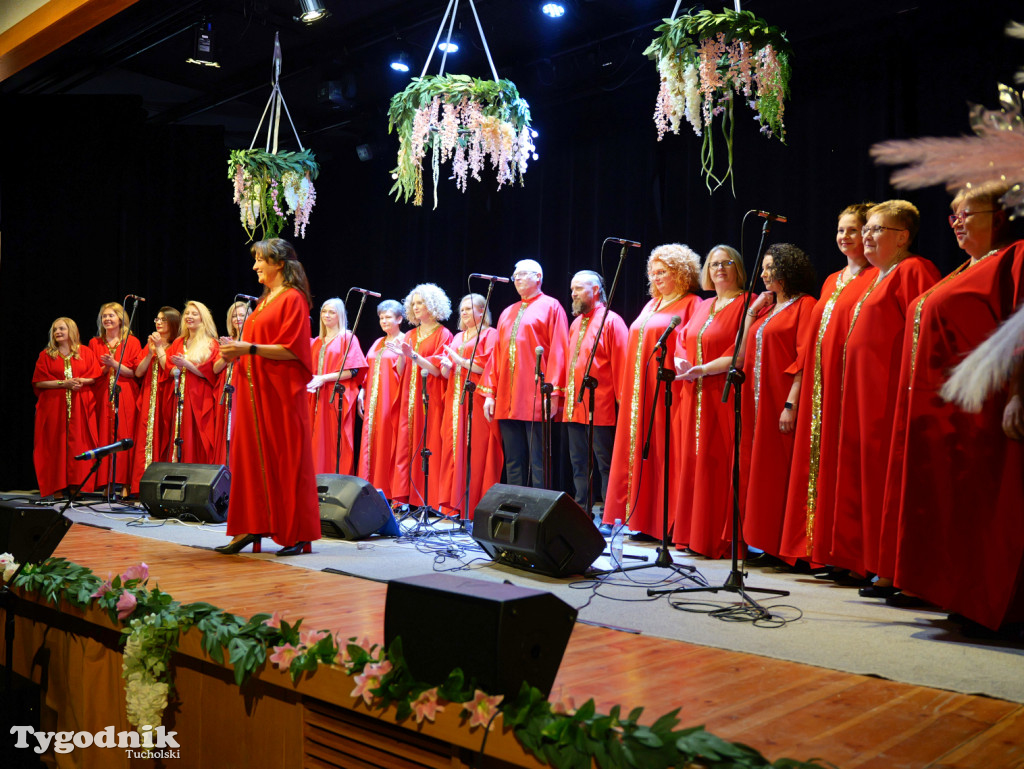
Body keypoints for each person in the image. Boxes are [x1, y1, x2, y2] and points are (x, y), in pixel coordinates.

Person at [873, 183, 1024, 630]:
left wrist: (1018, 394)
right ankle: (958, 595)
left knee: (985, 508)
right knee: (953, 507)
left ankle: (990, 605)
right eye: (952, 215)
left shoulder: (1014, 257)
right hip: (946, 420)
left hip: (987, 412)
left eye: (966, 214)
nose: (956, 222)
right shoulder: (967, 267)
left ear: (997, 218)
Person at [827, 200, 939, 580]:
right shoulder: (876, 276)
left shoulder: (913, 270)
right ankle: (863, 561)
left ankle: (890, 569)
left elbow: (923, 335)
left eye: (877, 230)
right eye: (867, 229)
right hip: (861, 393)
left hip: (887, 394)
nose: (867, 237)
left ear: (902, 237)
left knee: (881, 480)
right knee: (860, 478)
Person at [778, 204, 878, 567]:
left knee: (844, 468)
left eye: (853, 229)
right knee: (814, 467)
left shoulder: (877, 276)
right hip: (818, 391)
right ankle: (812, 547)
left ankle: (842, 553)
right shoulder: (831, 280)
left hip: (848, 389)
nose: (845, 236)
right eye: (841, 230)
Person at [216, 238, 321, 556]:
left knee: (286, 459)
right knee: (249, 459)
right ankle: (253, 525)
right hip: (253, 391)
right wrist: (234, 351)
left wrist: (246, 348)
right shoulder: (264, 301)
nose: (255, 265)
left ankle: (298, 532)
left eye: (260, 259)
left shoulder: (292, 299)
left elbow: (294, 350)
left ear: (278, 263)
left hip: (279, 394)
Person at [602, 244, 702, 539]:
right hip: (638, 393)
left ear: (681, 273)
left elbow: (689, 344)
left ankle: (663, 523)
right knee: (636, 452)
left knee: (661, 452)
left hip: (665, 392)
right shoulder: (651, 305)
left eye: (664, 272)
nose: (657, 278)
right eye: (653, 273)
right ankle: (639, 520)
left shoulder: (691, 303)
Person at [738, 244, 817, 560]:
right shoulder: (767, 309)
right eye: (764, 268)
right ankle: (769, 543)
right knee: (763, 475)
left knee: (782, 473)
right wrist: (751, 313)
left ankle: (789, 549)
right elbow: (741, 352)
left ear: (788, 270)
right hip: (757, 402)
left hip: (781, 401)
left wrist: (791, 404)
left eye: (771, 267)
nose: (764, 273)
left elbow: (804, 357)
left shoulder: (805, 305)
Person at [671, 245, 748, 557]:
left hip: (722, 394)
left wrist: (702, 369)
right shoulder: (704, 305)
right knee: (693, 462)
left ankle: (717, 539)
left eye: (727, 263)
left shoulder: (748, 303)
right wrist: (682, 364)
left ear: (738, 268)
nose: (720, 269)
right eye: (714, 264)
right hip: (694, 395)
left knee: (717, 464)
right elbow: (682, 340)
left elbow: (740, 355)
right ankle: (693, 535)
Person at [482, 259, 569, 489]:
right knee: (513, 459)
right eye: (515, 276)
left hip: (535, 396)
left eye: (522, 274)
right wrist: (490, 393)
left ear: (538, 277)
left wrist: (553, 393)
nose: (517, 279)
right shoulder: (507, 312)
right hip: (507, 397)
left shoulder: (552, 306)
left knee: (538, 460)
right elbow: (497, 355)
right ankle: (515, 509)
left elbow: (560, 350)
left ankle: (540, 511)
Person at [563, 270, 628, 517]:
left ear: (596, 290)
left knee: (606, 464)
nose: (573, 293)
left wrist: (622, 404)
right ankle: (582, 510)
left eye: (578, 288)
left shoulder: (612, 321)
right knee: (578, 462)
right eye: (572, 289)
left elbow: (621, 365)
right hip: (574, 407)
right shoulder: (576, 323)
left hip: (602, 408)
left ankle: (612, 514)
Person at [438, 293, 503, 519]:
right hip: (455, 399)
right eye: (462, 309)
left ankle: (474, 504)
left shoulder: (490, 334)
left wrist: (460, 360)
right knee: (454, 449)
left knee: (475, 451)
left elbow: (486, 367)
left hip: (476, 398)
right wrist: (448, 365)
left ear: (482, 312)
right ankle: (455, 503)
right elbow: (449, 371)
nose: (464, 313)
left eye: (469, 309)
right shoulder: (458, 337)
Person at [389, 284, 453, 509]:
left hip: (430, 396)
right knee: (407, 445)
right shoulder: (410, 334)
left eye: (421, 303)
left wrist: (413, 355)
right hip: (409, 397)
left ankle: (430, 500)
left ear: (432, 305)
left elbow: (437, 370)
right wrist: (400, 355)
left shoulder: (443, 334)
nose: (416, 307)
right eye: (413, 303)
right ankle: (405, 498)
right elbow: (400, 371)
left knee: (429, 444)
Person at [32, 318, 100, 498]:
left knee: (79, 444)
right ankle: (56, 487)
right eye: (55, 330)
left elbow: (94, 376)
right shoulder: (46, 355)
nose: (57, 332)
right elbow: (39, 382)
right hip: (54, 407)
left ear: (71, 330)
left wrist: (80, 381)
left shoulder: (85, 352)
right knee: (54, 445)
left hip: (80, 405)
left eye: (61, 328)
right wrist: (64, 383)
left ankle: (75, 486)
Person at [307, 297, 368, 475]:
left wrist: (323, 378)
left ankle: (336, 484)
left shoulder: (347, 338)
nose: (327, 315)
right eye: (324, 311)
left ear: (340, 315)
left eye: (332, 312)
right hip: (315, 398)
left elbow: (354, 370)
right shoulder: (316, 341)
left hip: (336, 398)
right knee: (314, 442)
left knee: (335, 443)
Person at [88, 301, 141, 493]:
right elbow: (93, 372)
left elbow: (134, 372)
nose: (107, 319)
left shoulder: (132, 341)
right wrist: (106, 366)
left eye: (111, 315)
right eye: (104, 316)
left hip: (125, 392)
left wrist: (114, 363)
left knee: (124, 434)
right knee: (105, 435)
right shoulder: (95, 343)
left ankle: (126, 483)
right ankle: (107, 483)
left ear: (120, 318)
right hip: (102, 393)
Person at [129, 306, 181, 493]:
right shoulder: (150, 344)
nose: (158, 322)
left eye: (163, 320)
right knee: (145, 437)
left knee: (165, 436)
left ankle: (161, 487)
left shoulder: (177, 345)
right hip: (149, 396)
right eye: (157, 319)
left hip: (167, 395)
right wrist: (150, 352)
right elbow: (139, 372)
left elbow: (168, 368)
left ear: (172, 323)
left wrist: (159, 349)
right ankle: (141, 487)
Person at [358, 299, 404, 498]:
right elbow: (368, 371)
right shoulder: (378, 342)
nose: (384, 321)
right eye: (381, 318)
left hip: (390, 399)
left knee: (387, 442)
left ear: (399, 319)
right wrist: (362, 392)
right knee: (371, 442)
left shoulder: (404, 341)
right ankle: (369, 492)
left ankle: (389, 493)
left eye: (388, 318)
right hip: (372, 402)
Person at [167, 301, 220, 464]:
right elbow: (168, 367)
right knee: (180, 435)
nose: (189, 317)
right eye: (187, 313)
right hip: (180, 396)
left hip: (199, 398)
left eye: (194, 314)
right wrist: (175, 369)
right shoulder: (178, 342)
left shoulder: (211, 343)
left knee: (197, 438)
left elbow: (212, 373)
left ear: (202, 319)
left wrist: (188, 365)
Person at [212, 300, 250, 465]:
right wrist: (228, 353)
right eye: (234, 316)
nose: (238, 318)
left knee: (244, 440)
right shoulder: (227, 340)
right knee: (227, 440)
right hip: (228, 394)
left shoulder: (255, 341)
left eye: (242, 315)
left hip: (246, 394)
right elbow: (215, 368)